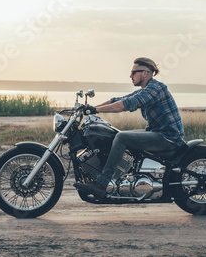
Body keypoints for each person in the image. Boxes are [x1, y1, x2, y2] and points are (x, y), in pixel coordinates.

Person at [73, 57, 185, 199]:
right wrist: (91, 108)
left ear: (145, 73)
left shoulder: (155, 88)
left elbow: (127, 104)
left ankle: (101, 185)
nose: (130, 76)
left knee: (122, 137)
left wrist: (96, 110)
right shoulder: (147, 89)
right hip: (157, 133)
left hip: (167, 137)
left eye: (133, 72)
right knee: (117, 134)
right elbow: (118, 100)